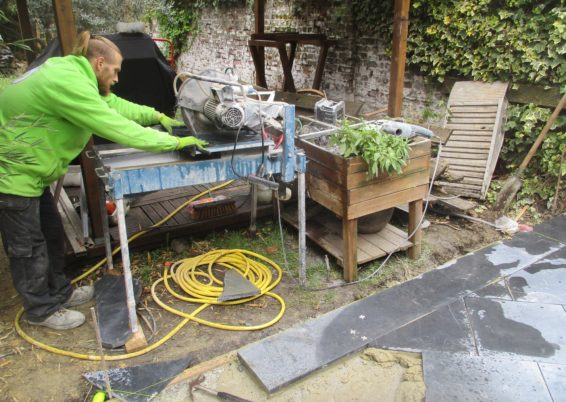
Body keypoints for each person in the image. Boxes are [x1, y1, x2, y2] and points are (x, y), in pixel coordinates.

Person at [0, 31, 206, 330]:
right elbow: (116, 126)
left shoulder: (76, 75)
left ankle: (60, 292)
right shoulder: (67, 82)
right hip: (10, 174)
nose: (118, 78)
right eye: (116, 71)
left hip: (30, 173)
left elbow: (115, 106)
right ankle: (41, 310)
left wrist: (158, 116)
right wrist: (174, 144)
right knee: (28, 246)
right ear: (99, 63)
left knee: (51, 234)